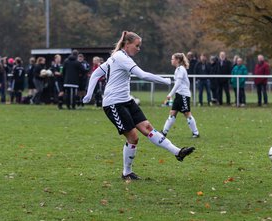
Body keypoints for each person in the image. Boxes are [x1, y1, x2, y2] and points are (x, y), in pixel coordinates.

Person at [83, 31, 195, 180]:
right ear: (127, 44)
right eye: (137, 46)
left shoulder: (117, 57)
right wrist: (165, 81)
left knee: (147, 127)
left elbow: (97, 73)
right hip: (113, 103)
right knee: (133, 137)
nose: (139, 49)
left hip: (126, 100)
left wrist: (89, 93)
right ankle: (126, 172)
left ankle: (178, 152)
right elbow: (142, 75)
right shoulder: (121, 57)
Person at [161, 53, 199, 138]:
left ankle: (196, 133)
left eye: (172, 59)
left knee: (187, 113)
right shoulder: (177, 69)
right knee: (172, 113)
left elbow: (178, 83)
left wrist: (170, 94)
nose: (171, 60)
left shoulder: (181, 69)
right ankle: (164, 132)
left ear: (177, 60)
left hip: (184, 95)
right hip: (179, 95)